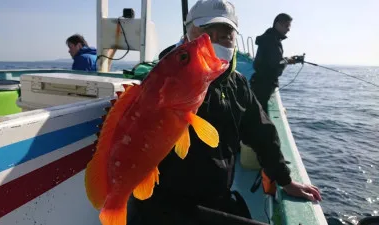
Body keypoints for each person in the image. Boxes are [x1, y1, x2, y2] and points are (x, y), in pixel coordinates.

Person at [128, 1, 321, 224]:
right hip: (162, 201)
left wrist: (285, 180)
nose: (216, 42)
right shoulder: (163, 81)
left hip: (214, 199)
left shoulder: (237, 85)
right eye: (207, 34)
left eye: (226, 35)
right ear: (188, 33)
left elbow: (262, 133)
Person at [250, 13, 304, 114]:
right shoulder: (272, 40)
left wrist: (288, 60)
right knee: (260, 112)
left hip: (259, 81)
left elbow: (274, 59)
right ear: (278, 24)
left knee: (257, 108)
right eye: (287, 26)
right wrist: (288, 61)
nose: (289, 29)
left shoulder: (269, 38)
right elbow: (277, 63)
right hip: (264, 83)